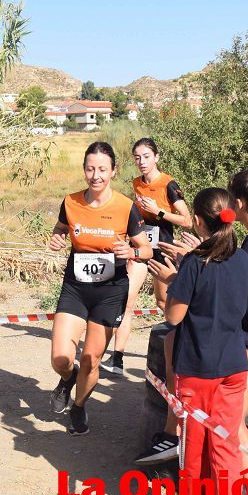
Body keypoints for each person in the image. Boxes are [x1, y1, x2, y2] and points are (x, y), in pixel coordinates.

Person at [145, 167, 248, 495]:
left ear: (198, 220)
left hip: (243, 349)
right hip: (237, 356)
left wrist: (174, 280)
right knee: (223, 439)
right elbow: (227, 270)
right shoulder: (247, 250)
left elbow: (178, 312)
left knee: (212, 439)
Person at [164, 188, 248, 495]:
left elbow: (174, 317)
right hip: (233, 366)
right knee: (226, 446)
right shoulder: (243, 260)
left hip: (198, 366)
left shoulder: (194, 265)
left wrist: (171, 279)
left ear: (198, 221)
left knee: (195, 445)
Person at [47, 141, 152, 436]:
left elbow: (146, 250)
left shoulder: (125, 206)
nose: (96, 175)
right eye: (91, 169)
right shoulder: (70, 202)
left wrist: (130, 252)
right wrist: (57, 239)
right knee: (60, 358)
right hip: (76, 288)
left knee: (92, 359)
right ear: (83, 170)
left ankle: (79, 406)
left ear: (113, 171)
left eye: (102, 169)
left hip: (110, 291)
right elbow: (60, 229)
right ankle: (68, 379)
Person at [101, 137, 191, 376]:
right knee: (126, 301)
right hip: (142, 251)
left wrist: (159, 211)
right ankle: (117, 359)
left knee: (163, 303)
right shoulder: (136, 183)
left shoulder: (169, 184)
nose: (141, 162)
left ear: (156, 157)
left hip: (163, 252)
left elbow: (187, 220)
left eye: (146, 157)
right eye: (137, 157)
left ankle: (187, 347)